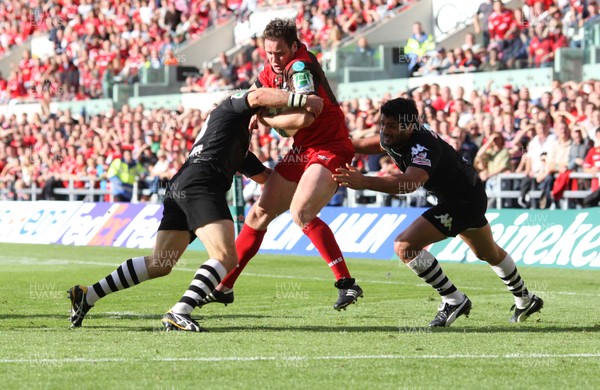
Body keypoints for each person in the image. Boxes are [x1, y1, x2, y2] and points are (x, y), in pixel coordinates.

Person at [67, 87, 324, 332]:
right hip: (202, 183)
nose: (263, 121)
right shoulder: (229, 109)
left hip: (182, 184)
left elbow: (269, 179)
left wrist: (314, 178)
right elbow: (256, 96)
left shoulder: (233, 141)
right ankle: (180, 310)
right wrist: (302, 101)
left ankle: (88, 295)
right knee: (226, 257)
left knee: (160, 263)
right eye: (264, 114)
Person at [334, 98, 544, 327]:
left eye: (391, 126)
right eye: (382, 123)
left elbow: (410, 183)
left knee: (404, 246)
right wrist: (335, 145)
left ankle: (453, 299)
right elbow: (374, 143)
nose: (385, 130)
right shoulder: (398, 135)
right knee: (488, 253)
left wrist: (364, 181)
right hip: (466, 195)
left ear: (410, 125)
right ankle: (526, 299)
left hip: (462, 201)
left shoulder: (422, 146)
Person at [201, 18, 363, 311]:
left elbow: (302, 120)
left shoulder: (300, 68)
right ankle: (224, 286)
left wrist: (264, 118)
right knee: (257, 215)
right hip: (303, 150)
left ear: (294, 46)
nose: (275, 60)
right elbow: (249, 97)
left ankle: (347, 284)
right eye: (269, 53)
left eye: (280, 53)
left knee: (301, 213)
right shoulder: (269, 71)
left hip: (331, 146)